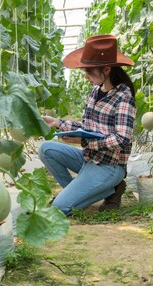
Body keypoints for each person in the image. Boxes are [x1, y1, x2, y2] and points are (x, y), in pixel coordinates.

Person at [40, 34, 136, 215]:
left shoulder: (124, 97)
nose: (86, 77)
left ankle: (110, 187)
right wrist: (58, 123)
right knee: (46, 149)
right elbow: (86, 126)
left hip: (109, 167)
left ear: (107, 70)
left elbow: (122, 139)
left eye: (89, 72)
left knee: (59, 208)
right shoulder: (94, 92)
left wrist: (84, 143)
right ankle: (79, 194)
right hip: (88, 160)